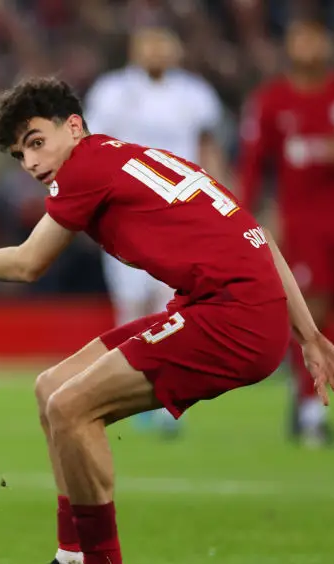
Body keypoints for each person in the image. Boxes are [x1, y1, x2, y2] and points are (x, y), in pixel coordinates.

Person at [0, 77, 334, 564]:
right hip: (221, 305)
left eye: (36, 141)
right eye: (20, 152)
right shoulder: (133, 157)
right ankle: (74, 561)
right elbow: (258, 235)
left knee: (73, 408)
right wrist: (307, 335)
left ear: (74, 127)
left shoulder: (87, 170)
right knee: (51, 389)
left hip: (230, 316)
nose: (30, 160)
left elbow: (27, 264)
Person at [238, 19, 334, 447]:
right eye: (300, 37)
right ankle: (309, 412)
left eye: (315, 36)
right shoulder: (271, 101)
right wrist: (243, 216)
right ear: (290, 46)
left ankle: (300, 384)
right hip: (301, 225)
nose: (308, 45)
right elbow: (252, 164)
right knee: (312, 314)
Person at [84, 26, 227, 436]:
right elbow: (93, 148)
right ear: (133, 48)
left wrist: (220, 201)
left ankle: (166, 402)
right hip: (125, 214)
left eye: (164, 41)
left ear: (177, 48)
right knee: (130, 308)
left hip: (180, 213)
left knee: (176, 308)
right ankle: (124, 394)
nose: (156, 50)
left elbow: (208, 149)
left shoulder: (195, 94)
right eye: (148, 42)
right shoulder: (111, 91)